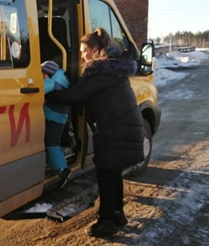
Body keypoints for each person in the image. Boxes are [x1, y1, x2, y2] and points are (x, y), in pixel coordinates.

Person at [45, 27, 145, 237]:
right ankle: (117, 214)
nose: (81, 55)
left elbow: (74, 97)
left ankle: (106, 221)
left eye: (83, 51)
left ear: (95, 50)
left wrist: (46, 93)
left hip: (114, 132)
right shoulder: (112, 70)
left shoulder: (99, 71)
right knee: (113, 173)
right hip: (124, 128)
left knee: (106, 177)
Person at [41, 60, 72, 188]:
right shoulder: (61, 80)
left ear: (48, 74)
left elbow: (40, 88)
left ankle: (62, 170)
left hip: (54, 119)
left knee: (51, 143)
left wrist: (46, 79)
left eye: (42, 74)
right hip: (57, 118)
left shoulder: (54, 83)